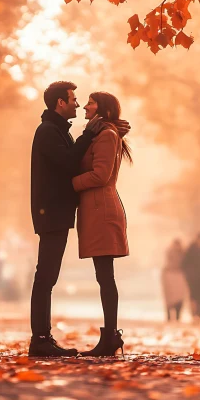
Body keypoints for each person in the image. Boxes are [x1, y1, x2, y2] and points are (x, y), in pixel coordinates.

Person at [29, 80, 107, 358]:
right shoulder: (48, 132)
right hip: (51, 213)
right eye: (73, 99)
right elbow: (70, 162)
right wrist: (88, 133)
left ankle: (41, 338)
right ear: (60, 103)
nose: (77, 103)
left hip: (55, 212)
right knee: (45, 277)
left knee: (47, 276)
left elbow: (73, 159)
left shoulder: (56, 130)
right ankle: (39, 339)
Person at [72, 91, 131, 358]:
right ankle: (110, 336)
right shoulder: (102, 133)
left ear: (102, 109)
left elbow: (100, 175)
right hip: (97, 209)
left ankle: (110, 337)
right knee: (104, 276)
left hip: (102, 210)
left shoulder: (106, 135)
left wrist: (70, 183)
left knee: (105, 276)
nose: (85, 106)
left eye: (91, 103)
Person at [161, 238, 189, 321]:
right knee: (169, 297)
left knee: (179, 297)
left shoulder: (184, 253)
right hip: (171, 274)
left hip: (179, 275)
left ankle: (177, 315)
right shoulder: (170, 252)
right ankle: (169, 315)